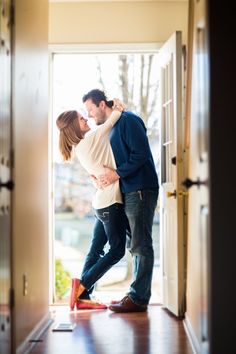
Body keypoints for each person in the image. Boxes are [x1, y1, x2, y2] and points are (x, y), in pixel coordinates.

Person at [82, 89, 159, 313]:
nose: (89, 116)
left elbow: (141, 154)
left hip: (141, 189)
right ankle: (133, 295)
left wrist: (115, 174)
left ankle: (138, 298)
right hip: (128, 190)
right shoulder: (113, 126)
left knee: (140, 244)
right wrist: (96, 176)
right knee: (133, 244)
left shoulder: (128, 120)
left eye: (90, 110)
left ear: (102, 105)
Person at [56, 102, 128, 311]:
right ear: (73, 127)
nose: (86, 119)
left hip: (101, 203)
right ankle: (82, 286)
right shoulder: (89, 140)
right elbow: (114, 118)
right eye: (81, 118)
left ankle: (83, 298)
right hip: (110, 203)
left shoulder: (82, 147)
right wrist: (115, 103)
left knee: (96, 250)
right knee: (116, 251)